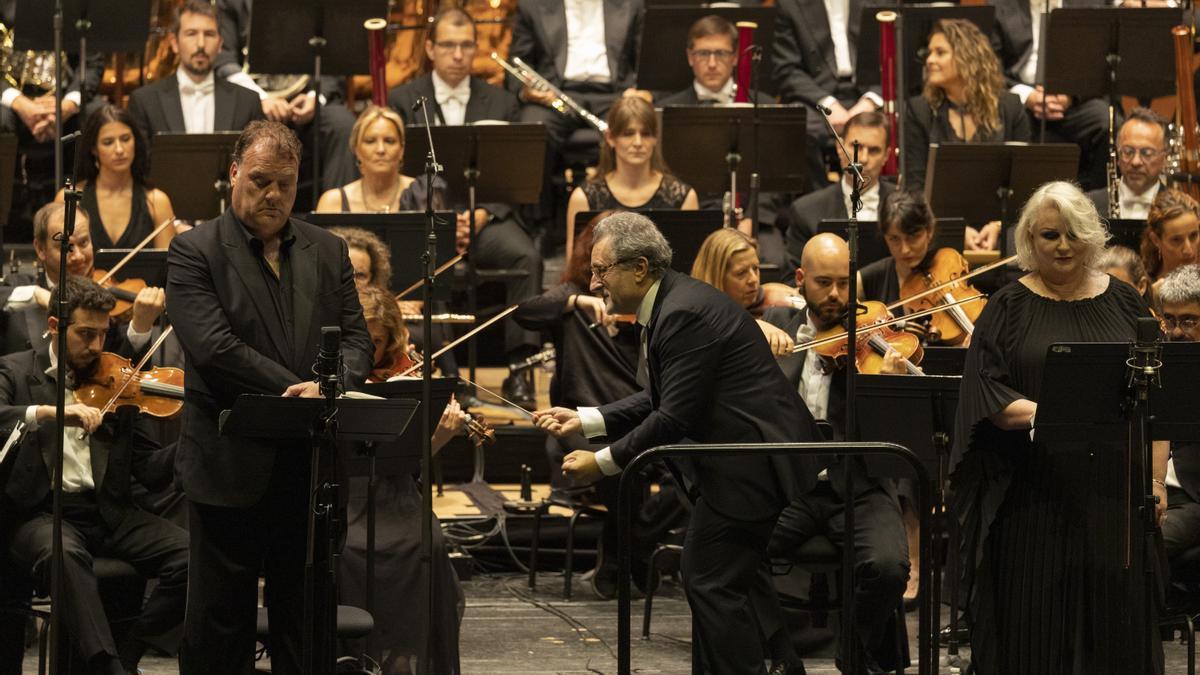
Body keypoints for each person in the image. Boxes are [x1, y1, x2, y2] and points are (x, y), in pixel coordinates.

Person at [531, 212, 822, 674]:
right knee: (718, 581)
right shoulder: (672, 302)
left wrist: (602, 462)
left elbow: (674, 415)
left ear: (640, 267)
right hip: (737, 465)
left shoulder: (682, 311)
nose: (593, 280)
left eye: (602, 270)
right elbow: (663, 396)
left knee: (710, 581)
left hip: (752, 465)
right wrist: (588, 418)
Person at [168, 120, 372, 674]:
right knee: (219, 627)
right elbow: (214, 350)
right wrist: (296, 388)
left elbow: (358, 340)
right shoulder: (194, 251)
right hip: (229, 463)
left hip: (309, 468)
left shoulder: (329, 250)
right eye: (260, 180)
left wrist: (330, 386)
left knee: (305, 624)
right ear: (234, 174)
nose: (273, 194)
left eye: (285, 183)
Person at [951, 180, 1165, 673]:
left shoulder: (1127, 303)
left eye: (1072, 233)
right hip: (1032, 496)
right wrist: (1056, 413)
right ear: (1030, 241)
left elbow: (1157, 396)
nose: (1063, 246)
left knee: (1115, 629)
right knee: (1034, 630)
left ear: (1090, 234)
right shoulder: (1005, 307)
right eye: (1050, 235)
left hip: (1114, 493)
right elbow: (989, 394)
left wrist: (1155, 481)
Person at [0, 275, 188, 675]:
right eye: (86, 334)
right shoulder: (16, 371)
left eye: (104, 334)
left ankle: (129, 652)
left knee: (193, 557)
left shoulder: (114, 383)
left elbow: (151, 474)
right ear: (54, 326)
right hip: (41, 515)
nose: (97, 347)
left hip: (109, 513)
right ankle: (108, 668)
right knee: (65, 553)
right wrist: (52, 413)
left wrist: (193, 442)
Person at [761, 233, 910, 672]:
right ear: (801, 280)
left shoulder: (874, 339)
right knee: (732, 555)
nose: (836, 295)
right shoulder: (778, 330)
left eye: (846, 283)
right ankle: (781, 654)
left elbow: (901, 428)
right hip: (791, 485)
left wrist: (893, 383)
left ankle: (856, 653)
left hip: (859, 484)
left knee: (887, 567)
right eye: (824, 283)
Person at [386, 7, 546, 406]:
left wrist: (477, 215)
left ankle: (521, 370)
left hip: (485, 216)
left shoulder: (502, 101)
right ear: (429, 47)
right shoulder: (403, 98)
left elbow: (510, 171)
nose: (458, 54)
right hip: (427, 217)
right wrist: (443, 217)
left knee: (526, 256)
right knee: (426, 259)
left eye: (465, 46)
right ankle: (446, 372)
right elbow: (402, 168)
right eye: (448, 45)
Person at [338, 285, 464, 675]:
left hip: (396, 493)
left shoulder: (406, 374)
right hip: (345, 493)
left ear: (390, 339)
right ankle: (348, 656)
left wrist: (440, 436)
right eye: (361, 341)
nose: (368, 354)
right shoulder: (327, 371)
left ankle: (404, 657)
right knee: (347, 553)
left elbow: (412, 463)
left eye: (376, 342)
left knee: (428, 544)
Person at [659, 15, 789, 270]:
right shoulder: (668, 111)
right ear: (689, 56)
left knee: (774, 263)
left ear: (734, 57)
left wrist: (751, 217)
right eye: (703, 53)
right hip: (693, 217)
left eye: (720, 53)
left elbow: (776, 176)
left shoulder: (762, 105)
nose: (711, 63)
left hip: (753, 218)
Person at [213, 0, 359, 199]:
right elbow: (223, 61)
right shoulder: (231, 3)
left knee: (343, 125)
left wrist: (314, 97)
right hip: (254, 100)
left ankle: (338, 221)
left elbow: (334, 52)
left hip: (305, 98)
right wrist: (260, 98)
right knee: (228, 121)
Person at [2, 203, 166, 358]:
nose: (78, 256)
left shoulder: (106, 303)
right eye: (66, 247)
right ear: (40, 249)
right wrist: (38, 295)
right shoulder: (19, 284)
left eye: (84, 242)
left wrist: (140, 327)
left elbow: (124, 374)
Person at [904, 19, 1032, 211]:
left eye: (940, 52)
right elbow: (916, 188)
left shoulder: (1011, 107)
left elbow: (1023, 183)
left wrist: (996, 227)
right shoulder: (919, 110)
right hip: (941, 222)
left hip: (1000, 223)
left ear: (968, 56)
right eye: (929, 53)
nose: (929, 60)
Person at [993, 0, 1110, 191]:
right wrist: (1027, 95)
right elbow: (990, 67)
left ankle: (1095, 203)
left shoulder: (1087, 4)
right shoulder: (1002, 5)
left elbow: (1099, 61)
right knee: (1001, 119)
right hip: (1022, 96)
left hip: (1073, 95)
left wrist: (1070, 95)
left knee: (1105, 122)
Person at [565, 97, 699, 258]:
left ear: (655, 138)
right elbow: (576, 269)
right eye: (628, 134)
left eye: (645, 134)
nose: (638, 142)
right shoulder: (583, 198)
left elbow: (691, 270)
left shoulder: (684, 198)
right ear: (610, 138)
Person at [772, 0, 882, 193]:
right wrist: (827, 103)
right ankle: (821, 203)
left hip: (867, 92)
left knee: (906, 118)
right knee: (797, 126)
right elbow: (787, 69)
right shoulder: (790, 5)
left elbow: (895, 57)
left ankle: (882, 201)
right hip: (816, 96)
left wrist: (871, 99)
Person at [126, 0, 265, 141]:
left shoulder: (248, 102)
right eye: (191, 34)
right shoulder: (144, 101)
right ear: (174, 43)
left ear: (220, 44)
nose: (201, 44)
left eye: (209, 34)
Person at [784, 111, 896, 277]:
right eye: (856, 147)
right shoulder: (806, 211)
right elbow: (792, 280)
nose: (863, 158)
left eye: (873, 150)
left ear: (886, 156)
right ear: (839, 147)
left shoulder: (905, 205)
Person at [55, 105, 176, 250]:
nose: (119, 149)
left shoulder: (158, 202)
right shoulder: (69, 199)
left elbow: (167, 268)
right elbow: (60, 262)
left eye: (125, 139)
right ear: (94, 149)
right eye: (108, 142)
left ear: (135, 142)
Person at [690, 228, 801, 358]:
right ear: (716, 276)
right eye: (741, 273)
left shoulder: (772, 308)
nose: (754, 279)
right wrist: (752, 325)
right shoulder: (693, 321)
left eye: (755, 268)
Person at [1086, 108, 1168, 219]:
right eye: (1128, 152)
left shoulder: (1180, 209)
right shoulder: (1088, 205)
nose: (1136, 162)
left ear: (1164, 158)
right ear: (1118, 156)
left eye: (1146, 153)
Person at [1143, 188, 1200, 288]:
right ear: (1155, 240)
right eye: (1176, 240)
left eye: (1193, 236)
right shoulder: (1143, 288)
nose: (1188, 250)